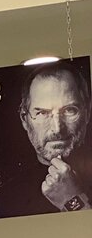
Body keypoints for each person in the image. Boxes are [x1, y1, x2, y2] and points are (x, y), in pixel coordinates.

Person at [18, 62, 92, 212]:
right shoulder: (0, 200)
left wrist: (71, 199)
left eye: (69, 110)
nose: (57, 129)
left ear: (88, 112)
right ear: (24, 119)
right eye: (42, 113)